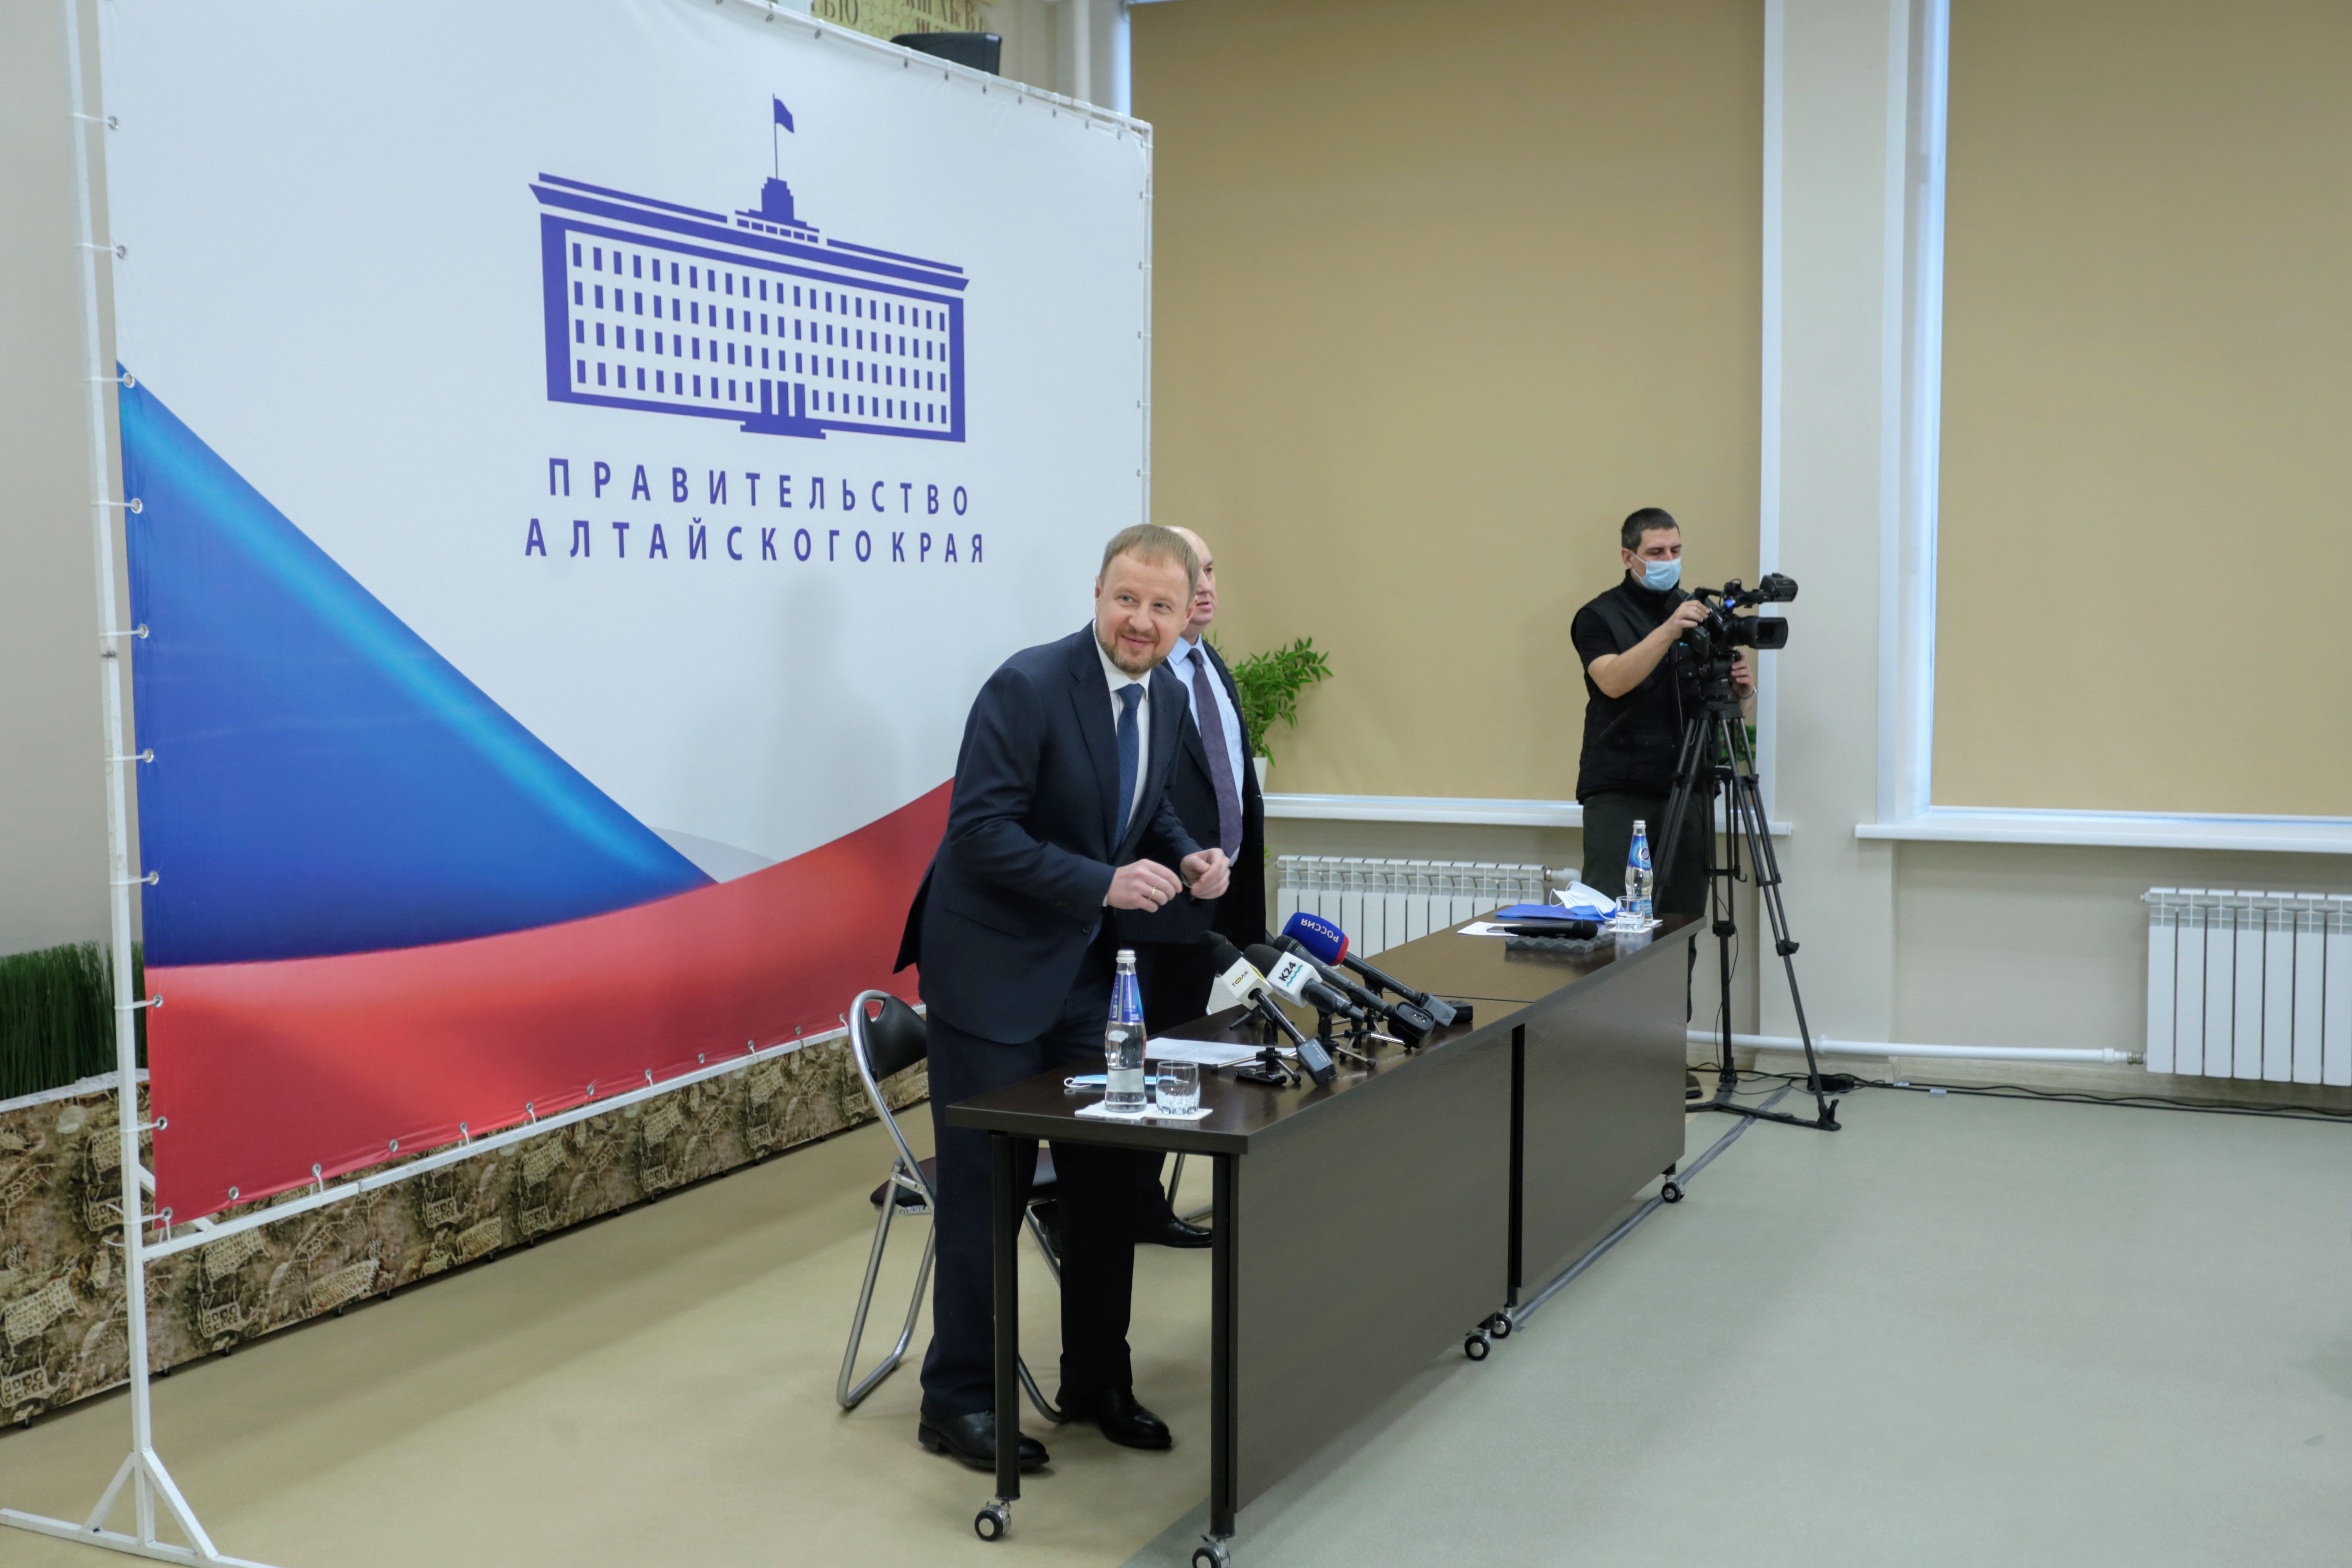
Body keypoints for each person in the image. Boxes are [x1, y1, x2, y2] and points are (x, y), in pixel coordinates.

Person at [894, 524, 1233, 1474]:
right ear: (1097, 593)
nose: (1141, 621)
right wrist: (1103, 883)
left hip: (1079, 977)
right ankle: (957, 1397)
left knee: (1106, 1179)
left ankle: (1095, 1380)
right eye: (1127, 599)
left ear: (1187, 614)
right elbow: (979, 832)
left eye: (1161, 606)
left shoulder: (1167, 694)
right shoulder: (1028, 685)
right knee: (985, 1192)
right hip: (990, 975)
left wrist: (1186, 855)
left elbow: (1145, 805)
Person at [1111, 526, 1265, 1248]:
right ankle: (1122, 1207)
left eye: (1209, 569)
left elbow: (1234, 786)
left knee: (1179, 1051)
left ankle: (1144, 1202)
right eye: (1188, 572)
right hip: (1151, 908)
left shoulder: (1209, 664)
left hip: (1214, 892)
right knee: (1145, 1059)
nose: (1203, 585)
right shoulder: (1142, 672)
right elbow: (1141, 801)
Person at [1570, 506, 1754, 917]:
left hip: (1690, 788)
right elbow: (1612, 681)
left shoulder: (1698, 611)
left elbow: (1718, 705)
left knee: (1681, 919)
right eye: (1656, 552)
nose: (1669, 560)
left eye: (1675, 550)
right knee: (1614, 918)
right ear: (1629, 557)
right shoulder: (1598, 616)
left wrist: (1742, 691)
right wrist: (1669, 630)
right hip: (1623, 789)